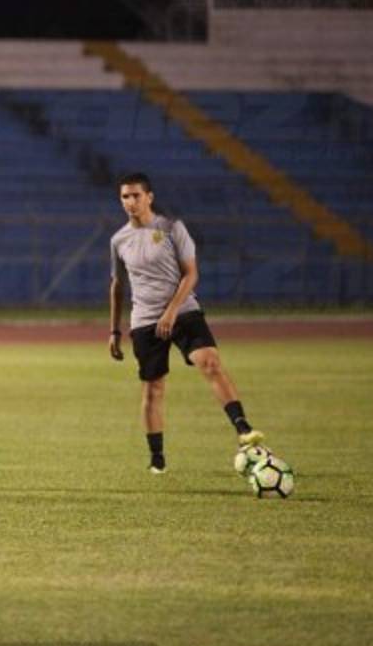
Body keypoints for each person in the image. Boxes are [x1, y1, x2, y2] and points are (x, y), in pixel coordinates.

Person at [108, 172, 265, 474]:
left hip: (182, 311)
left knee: (210, 361)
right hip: (144, 321)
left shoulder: (171, 229)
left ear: (149, 197)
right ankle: (157, 459)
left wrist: (170, 311)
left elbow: (191, 273)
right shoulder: (119, 240)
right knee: (153, 388)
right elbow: (117, 286)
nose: (130, 202)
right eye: (125, 197)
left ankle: (243, 428)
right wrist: (114, 331)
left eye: (136, 195)